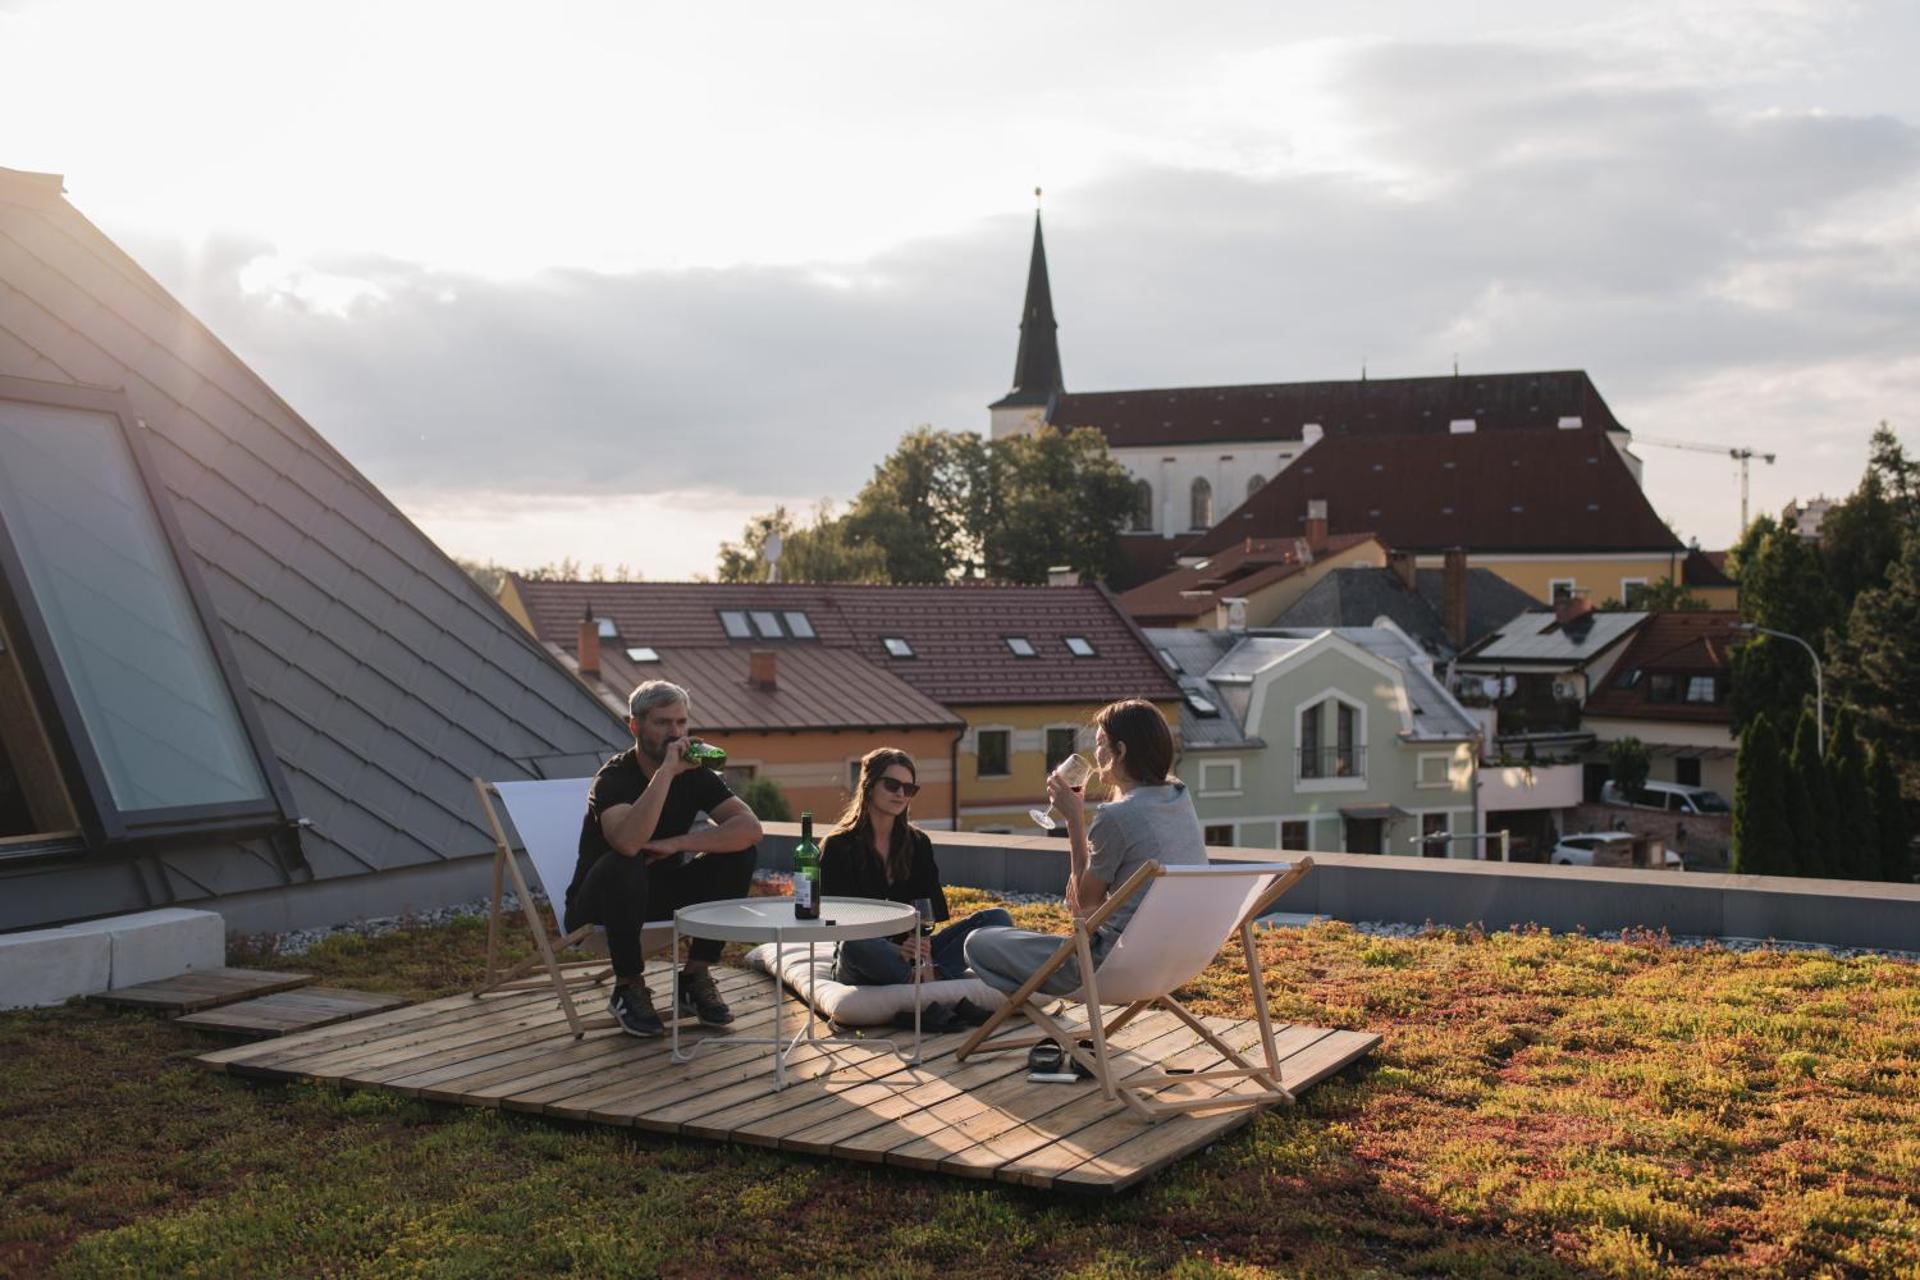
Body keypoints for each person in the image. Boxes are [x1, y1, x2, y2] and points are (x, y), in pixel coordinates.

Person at [964, 699, 1207, 997]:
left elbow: (1083, 909)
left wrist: (1074, 821)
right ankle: (1022, 995)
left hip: (1108, 967)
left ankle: (1018, 999)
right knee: (1010, 945)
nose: (1096, 754)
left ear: (1121, 751)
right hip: (1178, 963)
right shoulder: (1179, 796)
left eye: (1101, 744)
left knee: (977, 942)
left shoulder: (1118, 816)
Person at [567, 680, 765, 1037]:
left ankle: (694, 976)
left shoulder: (695, 773)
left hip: (658, 895)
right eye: (662, 723)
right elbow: (628, 842)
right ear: (635, 726)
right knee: (625, 861)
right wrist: (665, 774)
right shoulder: (612, 779)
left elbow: (750, 828)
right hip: (599, 905)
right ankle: (628, 986)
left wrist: (678, 843)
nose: (675, 734)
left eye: (681, 723)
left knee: (740, 854)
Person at [821, 748, 1012, 988]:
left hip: (915, 954)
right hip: (866, 955)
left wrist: (921, 947)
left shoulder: (918, 842)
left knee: (997, 918)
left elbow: (928, 909)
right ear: (869, 785)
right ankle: (926, 981)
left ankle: (930, 976)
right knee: (855, 944)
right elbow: (836, 919)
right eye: (892, 785)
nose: (901, 793)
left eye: (909, 788)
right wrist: (895, 949)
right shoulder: (838, 846)